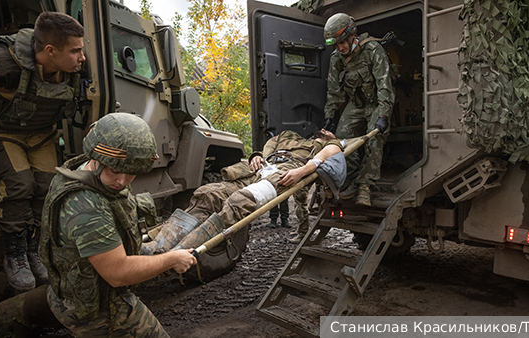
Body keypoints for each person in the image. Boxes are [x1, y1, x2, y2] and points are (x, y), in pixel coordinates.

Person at [39, 113, 197, 337]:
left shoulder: (86, 170)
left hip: (83, 291)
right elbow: (118, 273)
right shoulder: (87, 206)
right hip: (97, 309)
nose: (122, 181)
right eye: (115, 170)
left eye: (131, 172)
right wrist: (172, 259)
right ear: (96, 155)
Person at [0, 11, 86, 291]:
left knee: (47, 187)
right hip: (0, 130)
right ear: (50, 51)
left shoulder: (76, 64)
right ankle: (16, 256)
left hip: (41, 134)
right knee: (19, 185)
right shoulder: (3, 61)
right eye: (75, 51)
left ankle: (35, 252)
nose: (82, 57)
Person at [185, 129, 343, 243]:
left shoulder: (329, 144)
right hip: (262, 168)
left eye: (329, 131)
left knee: (241, 200)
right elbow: (269, 146)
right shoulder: (289, 135)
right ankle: (173, 235)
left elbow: (323, 157)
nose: (325, 130)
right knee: (208, 193)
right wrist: (258, 156)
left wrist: (301, 171)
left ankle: (191, 242)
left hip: (287, 171)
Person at [322, 13, 394, 207]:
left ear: (352, 35)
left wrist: (383, 115)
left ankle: (364, 186)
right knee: (340, 139)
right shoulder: (337, 58)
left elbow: (384, 86)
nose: (340, 48)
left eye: (342, 43)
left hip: (376, 102)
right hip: (356, 104)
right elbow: (334, 91)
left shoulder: (372, 50)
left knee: (374, 137)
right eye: (335, 45)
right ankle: (351, 177)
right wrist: (330, 116)